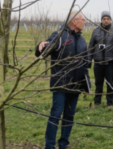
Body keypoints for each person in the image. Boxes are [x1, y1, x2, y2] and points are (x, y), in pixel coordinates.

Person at [35, 11, 90, 149]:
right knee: (56, 115)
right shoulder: (59, 36)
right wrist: (41, 45)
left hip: (75, 85)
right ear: (74, 21)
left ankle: (64, 144)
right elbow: (43, 50)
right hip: (60, 84)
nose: (85, 22)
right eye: (83, 19)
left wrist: (85, 84)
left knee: (69, 116)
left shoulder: (83, 40)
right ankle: (49, 145)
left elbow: (86, 63)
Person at [88, 11, 113, 108]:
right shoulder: (95, 31)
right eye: (104, 19)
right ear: (101, 20)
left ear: (110, 20)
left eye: (108, 19)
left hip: (110, 63)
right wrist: (89, 60)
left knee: (110, 84)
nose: (106, 20)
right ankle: (97, 102)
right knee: (98, 83)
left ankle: (110, 103)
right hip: (98, 62)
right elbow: (91, 46)